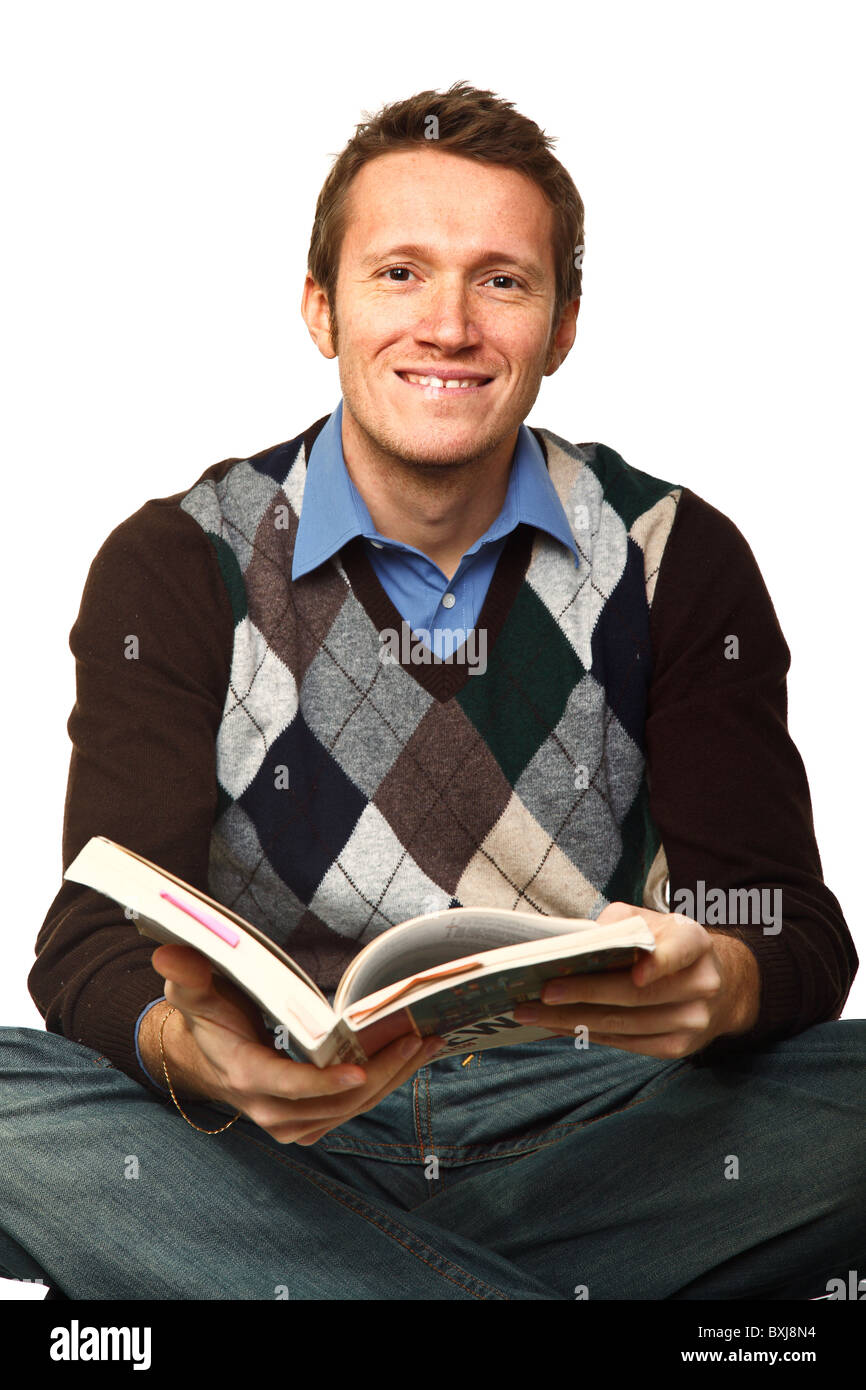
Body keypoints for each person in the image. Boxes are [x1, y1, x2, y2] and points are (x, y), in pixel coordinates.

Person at [2, 81, 862, 1301]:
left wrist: (720, 980)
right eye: (399, 272)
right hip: (279, 1137)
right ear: (321, 309)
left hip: (598, 1121)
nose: (448, 325)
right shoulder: (175, 560)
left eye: (501, 281)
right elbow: (91, 935)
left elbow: (788, 924)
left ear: (560, 326)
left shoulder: (675, 554)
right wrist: (186, 1049)